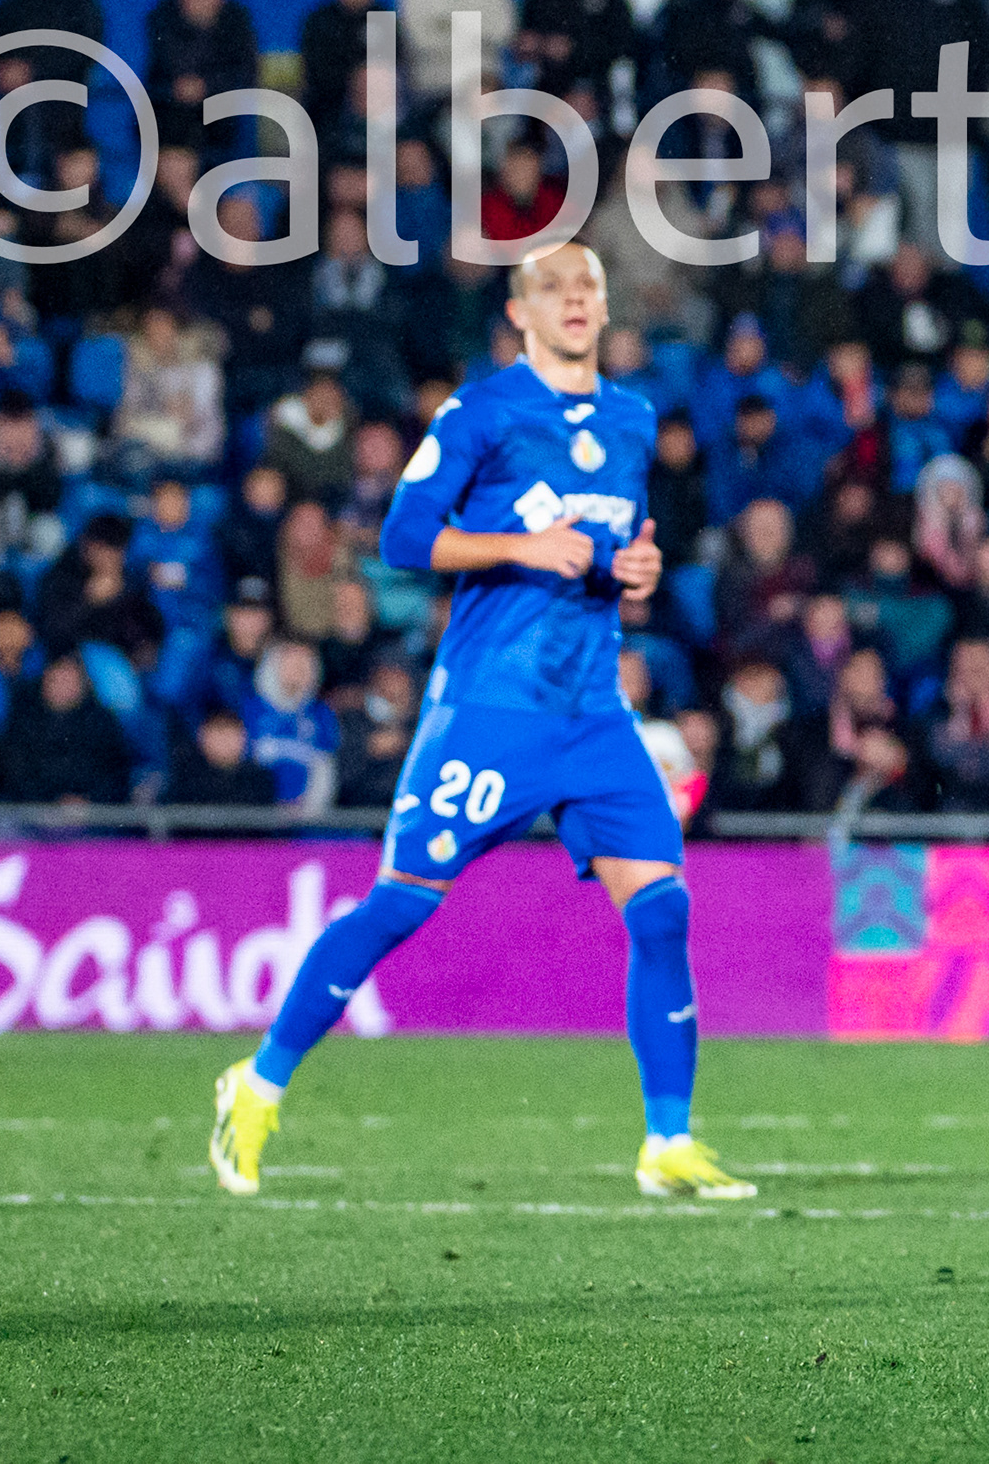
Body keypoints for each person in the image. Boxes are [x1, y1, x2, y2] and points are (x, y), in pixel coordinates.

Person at [206, 244, 754, 1206]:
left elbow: (611, 546)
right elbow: (403, 535)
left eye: (589, 285)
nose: (576, 299)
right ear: (519, 312)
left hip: (593, 712)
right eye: (554, 287)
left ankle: (667, 1141)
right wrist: (520, 546)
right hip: (491, 708)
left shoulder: (632, 418)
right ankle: (256, 1085)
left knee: (663, 909)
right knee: (401, 906)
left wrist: (634, 570)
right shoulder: (481, 412)